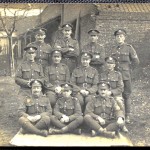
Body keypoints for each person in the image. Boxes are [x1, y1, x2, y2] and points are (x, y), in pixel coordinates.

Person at [111, 29, 140, 123]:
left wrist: (129, 70)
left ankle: (127, 116)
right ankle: (117, 114)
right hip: (115, 76)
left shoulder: (129, 48)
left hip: (126, 76)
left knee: (126, 95)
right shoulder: (114, 49)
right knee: (115, 95)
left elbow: (136, 61)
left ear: (124, 37)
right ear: (115, 38)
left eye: (121, 36)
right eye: (117, 36)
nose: (119, 38)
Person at [99, 56, 128, 132]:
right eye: (108, 63)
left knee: (119, 101)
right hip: (103, 94)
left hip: (115, 95)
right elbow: (98, 86)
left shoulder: (118, 74)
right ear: (105, 64)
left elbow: (120, 88)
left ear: (114, 65)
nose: (109, 65)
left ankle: (122, 124)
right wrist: (104, 93)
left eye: (111, 63)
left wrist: (111, 92)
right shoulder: (102, 74)